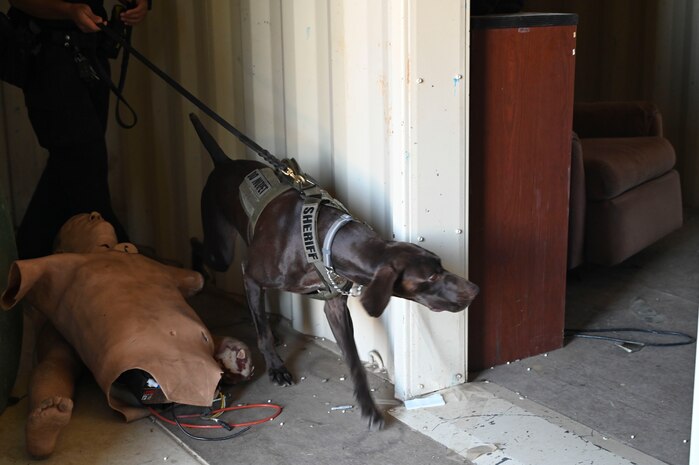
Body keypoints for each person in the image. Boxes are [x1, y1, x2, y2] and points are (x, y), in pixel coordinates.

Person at [1, 211, 254, 458]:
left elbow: (193, 280)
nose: (95, 214)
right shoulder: (67, 263)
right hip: (80, 334)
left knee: (185, 331)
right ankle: (45, 414)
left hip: (154, 330)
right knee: (57, 360)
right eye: (81, 222)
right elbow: (22, 283)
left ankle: (210, 353)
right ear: (63, 251)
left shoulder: (142, 260)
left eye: (95, 216)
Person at [8, 0, 149, 259]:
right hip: (49, 59)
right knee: (85, 162)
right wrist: (68, 11)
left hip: (91, 54)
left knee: (68, 167)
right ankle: (126, 263)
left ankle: (26, 262)